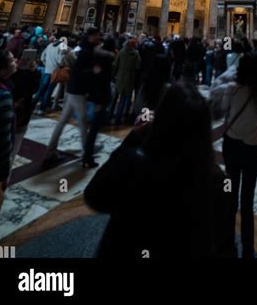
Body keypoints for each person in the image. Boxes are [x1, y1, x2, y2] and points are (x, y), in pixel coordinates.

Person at [84, 81, 234, 258]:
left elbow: (95, 196)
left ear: (160, 120)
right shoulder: (218, 182)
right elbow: (225, 245)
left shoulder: (134, 164)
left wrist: (133, 137)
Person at [211, 53, 257, 258]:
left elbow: (221, 105)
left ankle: (228, 244)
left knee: (230, 195)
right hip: (253, 148)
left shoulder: (231, 90)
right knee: (247, 200)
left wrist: (235, 69)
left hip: (232, 146)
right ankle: (247, 250)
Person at [43, 27, 100, 165]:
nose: (99, 37)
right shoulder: (86, 50)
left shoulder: (79, 48)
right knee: (82, 122)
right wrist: (93, 71)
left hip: (72, 88)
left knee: (63, 121)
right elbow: (79, 69)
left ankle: (50, 152)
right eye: (97, 35)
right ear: (91, 36)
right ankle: (87, 154)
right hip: (78, 90)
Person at [0, 49, 17, 220]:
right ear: (1, 71)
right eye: (12, 60)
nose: (16, 61)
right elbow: (3, 138)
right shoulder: (2, 96)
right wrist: (5, 170)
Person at [82, 37, 115, 168]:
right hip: (100, 97)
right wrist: (100, 101)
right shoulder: (107, 60)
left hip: (93, 95)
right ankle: (88, 155)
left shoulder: (96, 56)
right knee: (95, 128)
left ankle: (88, 151)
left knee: (93, 127)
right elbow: (103, 80)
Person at [10, 51, 40, 162]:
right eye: (12, 60)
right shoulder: (8, 77)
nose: (15, 62)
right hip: (10, 115)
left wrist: (33, 72)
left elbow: (32, 89)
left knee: (14, 149)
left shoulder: (27, 74)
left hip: (22, 115)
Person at [111, 37, 141, 125]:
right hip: (130, 78)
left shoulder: (121, 52)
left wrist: (114, 75)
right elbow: (138, 66)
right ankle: (119, 118)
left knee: (115, 98)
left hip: (119, 77)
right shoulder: (136, 54)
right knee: (124, 99)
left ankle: (110, 116)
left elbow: (115, 64)